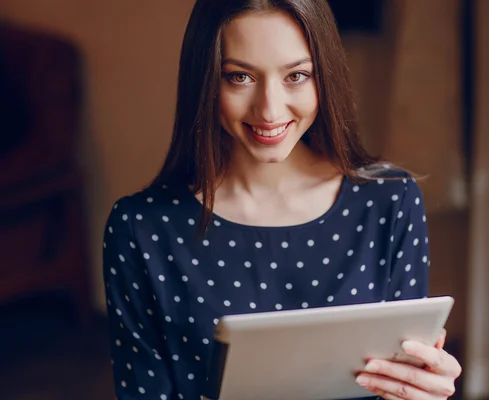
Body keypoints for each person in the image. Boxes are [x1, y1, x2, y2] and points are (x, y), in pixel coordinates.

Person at [102, 0, 462, 399]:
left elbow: (402, 379)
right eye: (239, 77)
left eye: (296, 75)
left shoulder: (389, 202)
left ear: (323, 76)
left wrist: (425, 393)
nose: (269, 110)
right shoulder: (142, 228)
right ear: (204, 81)